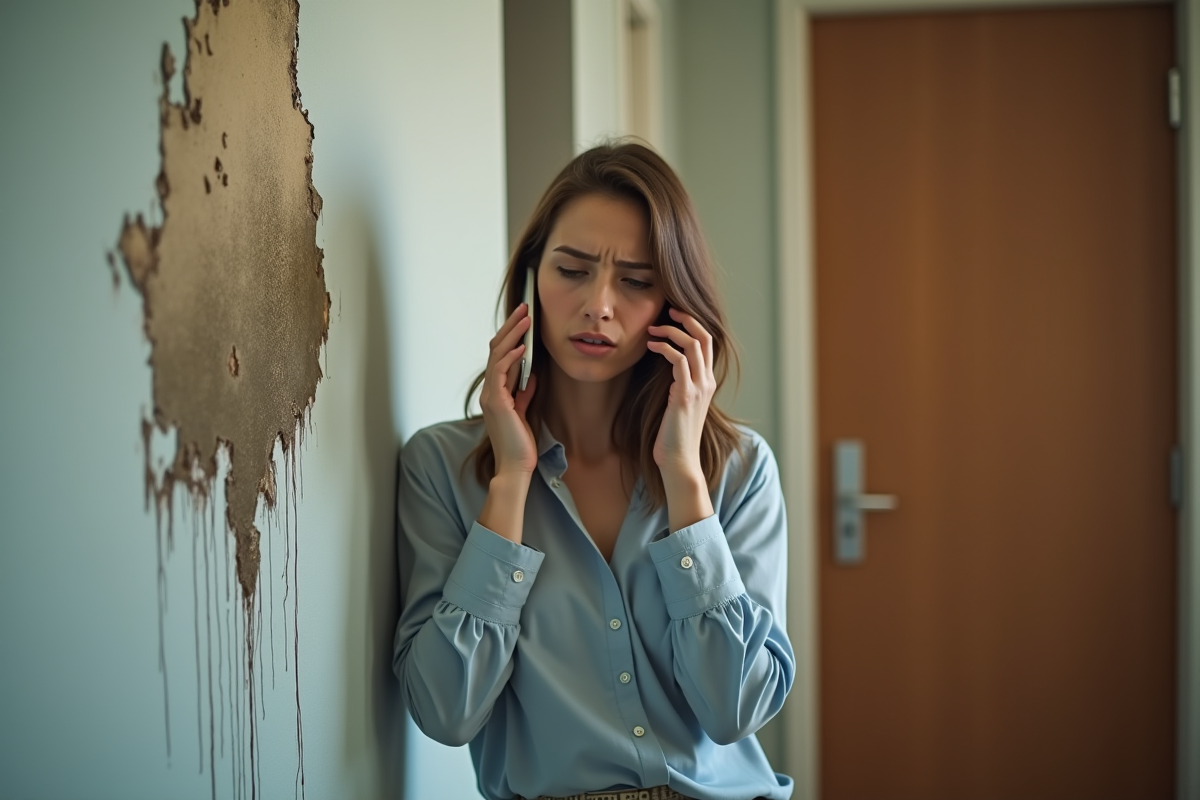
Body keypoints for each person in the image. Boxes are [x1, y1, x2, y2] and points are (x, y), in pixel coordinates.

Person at [392, 142, 794, 800]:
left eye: (635, 281)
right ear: (529, 282)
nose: (599, 305)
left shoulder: (740, 469)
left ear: (675, 306)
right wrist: (511, 484)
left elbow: (735, 711)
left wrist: (685, 483)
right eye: (572, 270)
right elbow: (445, 712)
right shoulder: (441, 467)